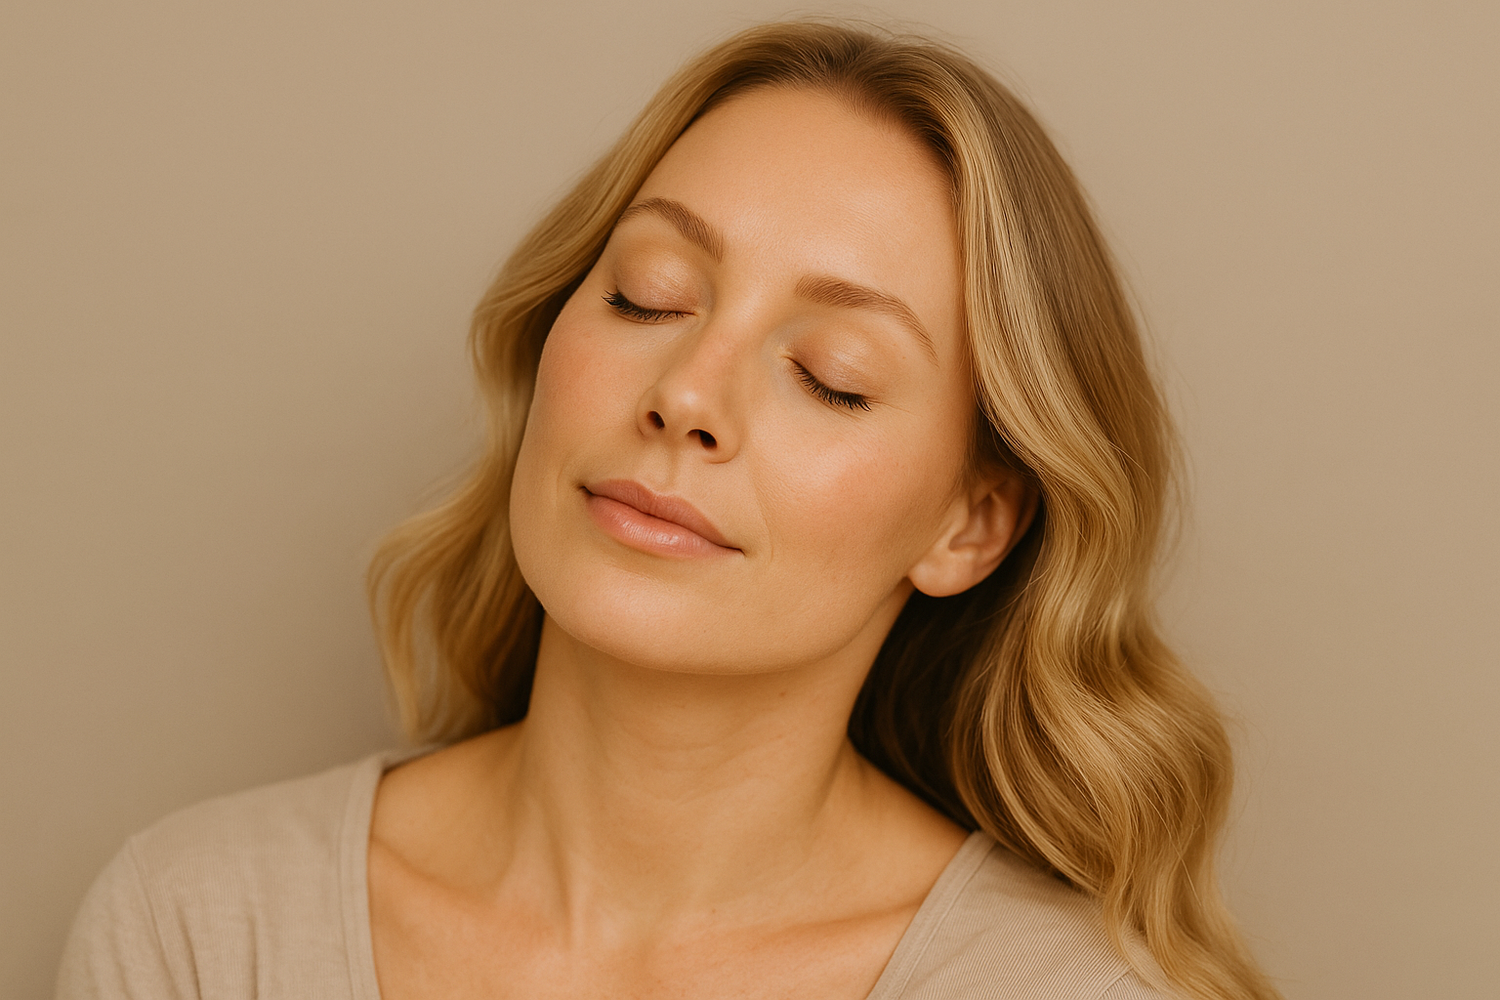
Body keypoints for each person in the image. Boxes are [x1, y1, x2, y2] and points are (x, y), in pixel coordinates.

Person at [56, 20, 1280, 1000]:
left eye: (830, 375)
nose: (687, 393)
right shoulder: (199, 928)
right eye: (649, 296)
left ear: (968, 527)